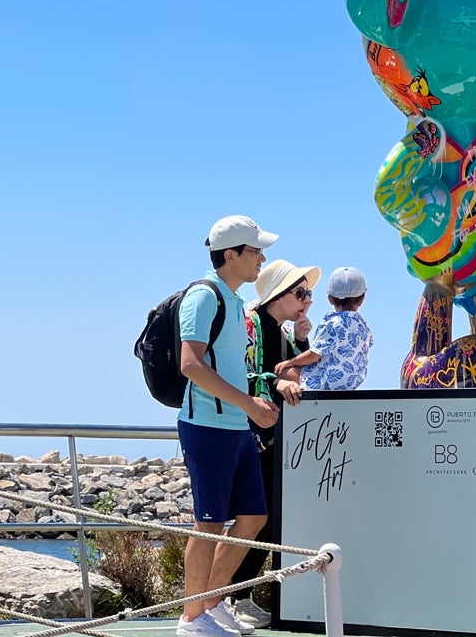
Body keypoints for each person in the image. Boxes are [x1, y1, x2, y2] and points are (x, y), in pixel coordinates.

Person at [176, 215, 281, 637]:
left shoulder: (235, 302)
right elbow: (190, 365)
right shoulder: (204, 297)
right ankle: (190, 618)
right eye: (255, 250)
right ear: (231, 254)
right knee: (208, 522)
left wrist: (259, 401)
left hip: (237, 428)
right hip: (208, 426)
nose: (262, 258)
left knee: (253, 517)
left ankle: (210, 604)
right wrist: (250, 406)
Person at [225, 259, 320, 629]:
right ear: (277, 294)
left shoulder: (281, 330)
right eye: (301, 293)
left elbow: (295, 373)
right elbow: (238, 372)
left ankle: (237, 593)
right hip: (251, 435)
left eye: (309, 294)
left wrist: (301, 337)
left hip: (273, 437)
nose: (306, 300)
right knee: (254, 517)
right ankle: (231, 594)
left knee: (267, 519)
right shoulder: (251, 324)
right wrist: (275, 379)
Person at [275, 266, 373, 392]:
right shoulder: (363, 327)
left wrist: (291, 362)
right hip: (349, 384)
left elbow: (314, 354)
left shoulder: (333, 323)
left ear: (330, 299)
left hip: (325, 381)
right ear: (362, 299)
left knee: (281, 372)